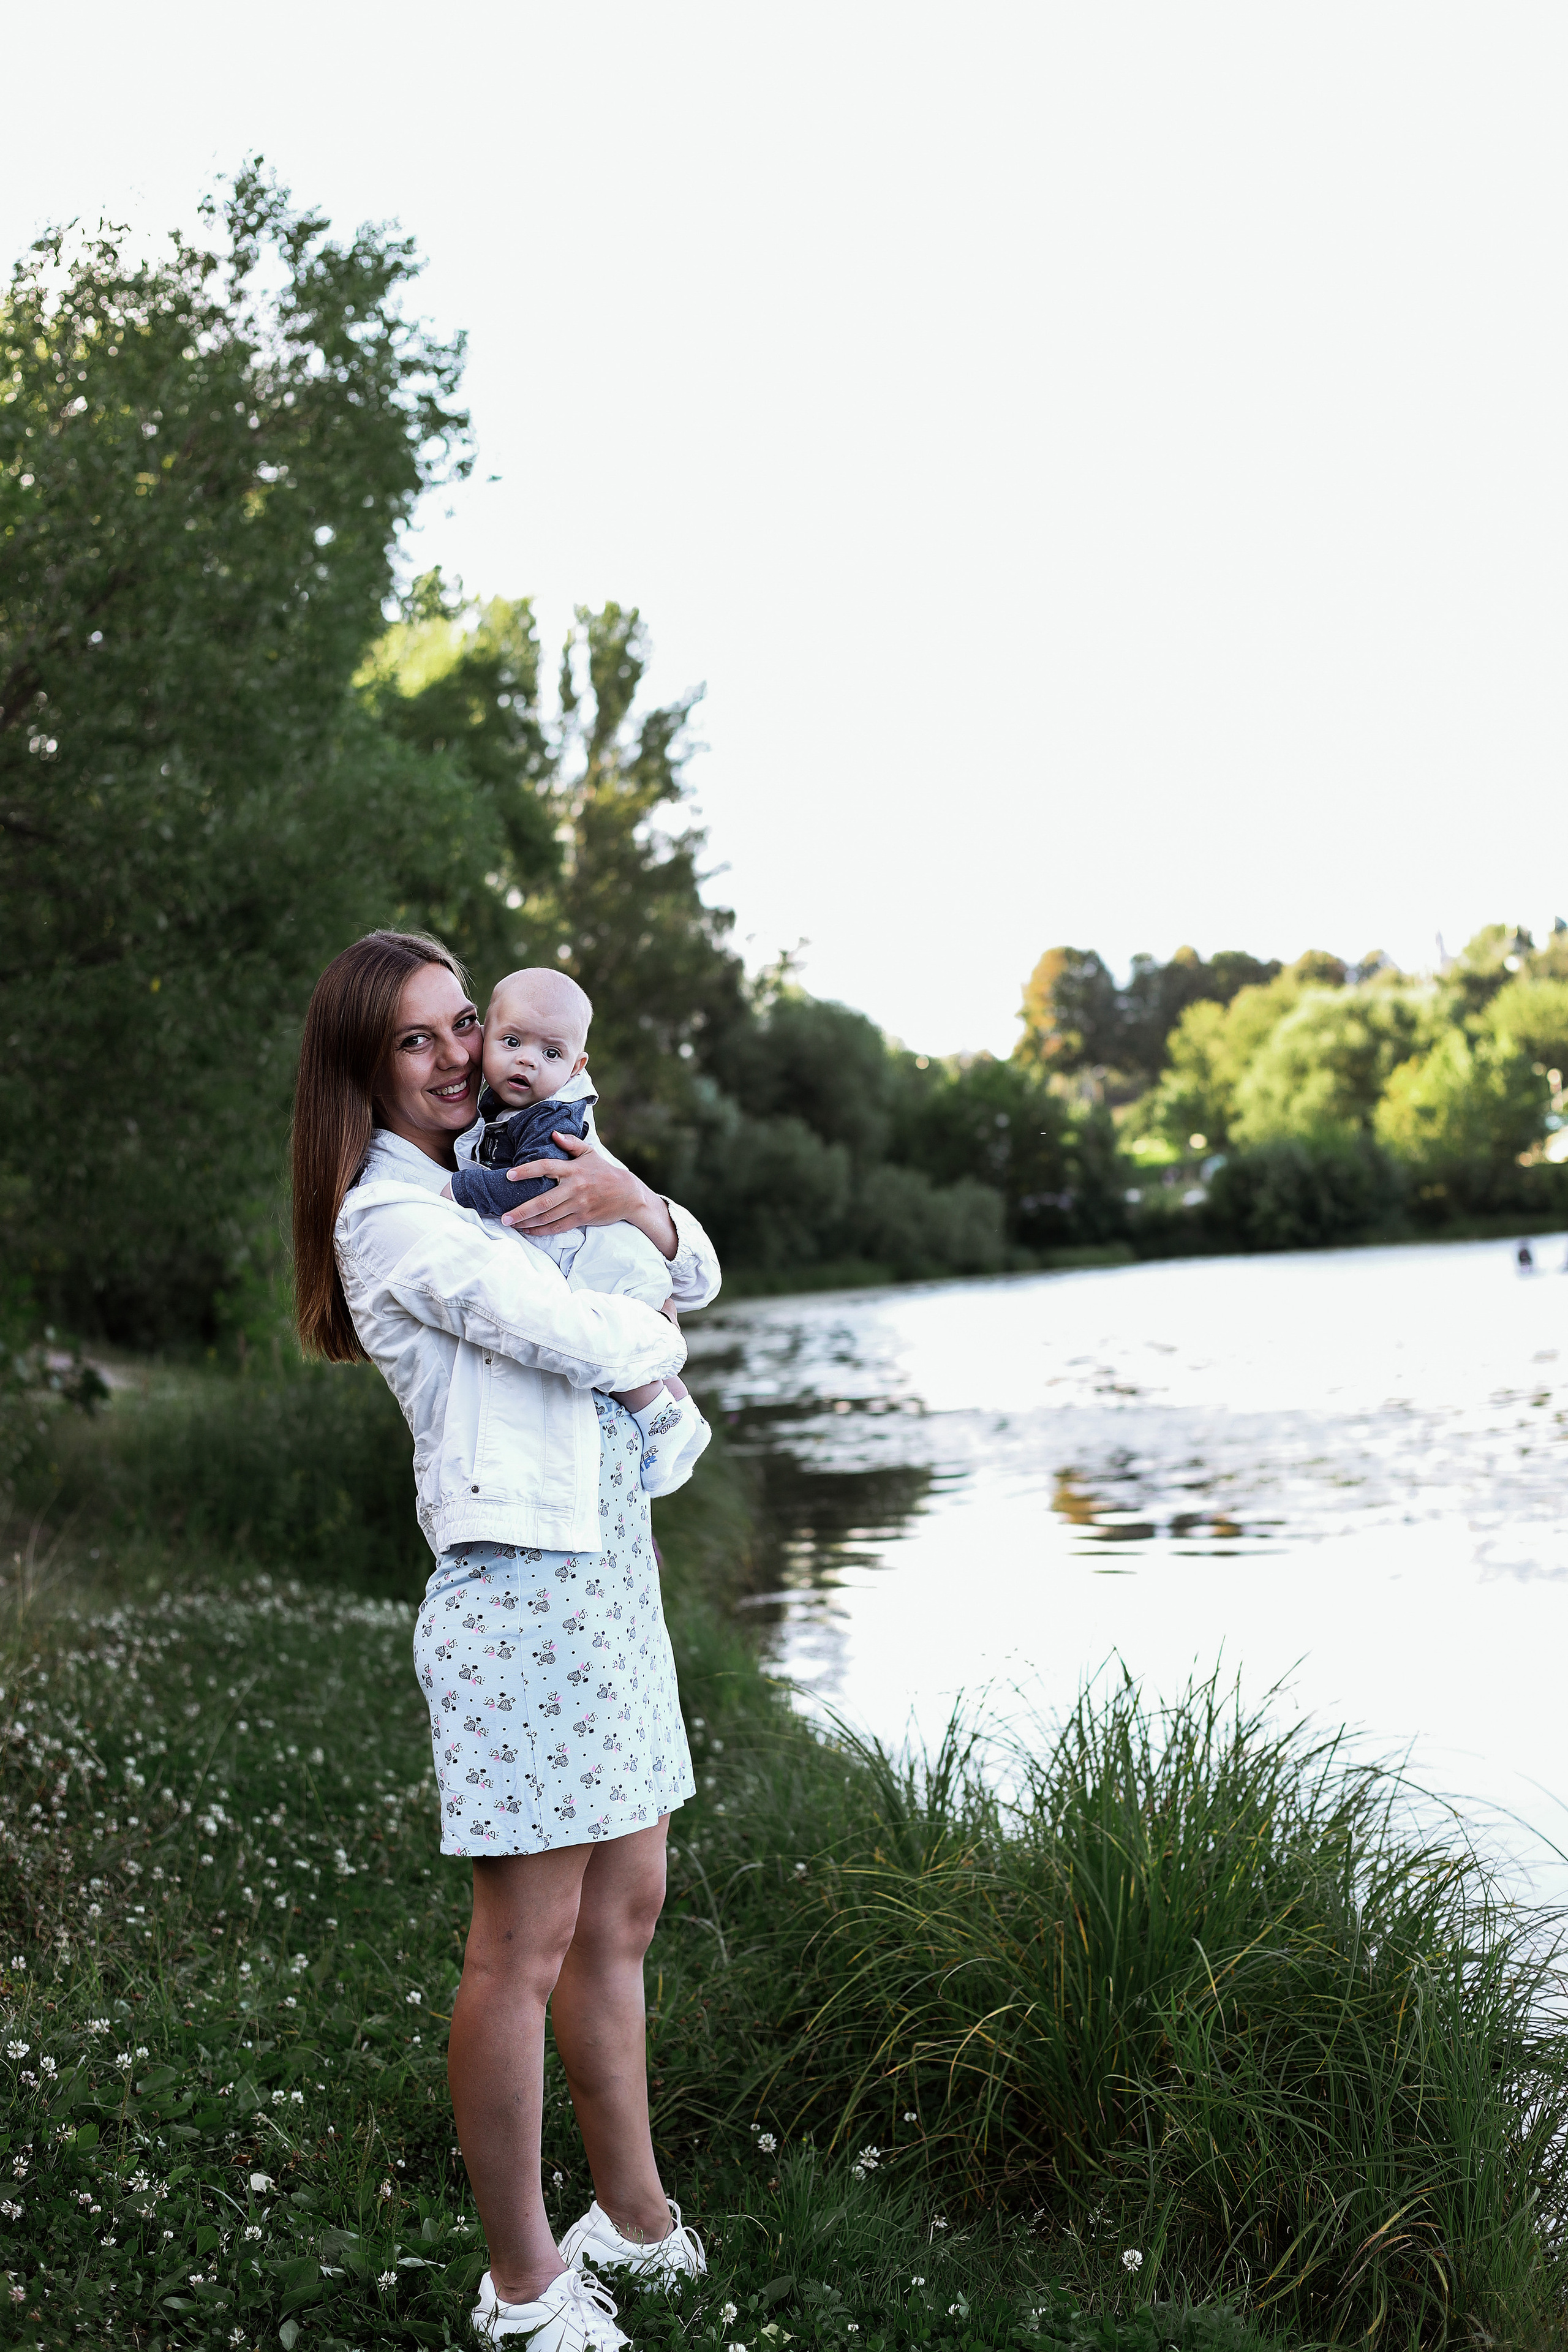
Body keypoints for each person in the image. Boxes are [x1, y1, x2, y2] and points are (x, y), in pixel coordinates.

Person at [292, 929, 717, 2352]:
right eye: (414, 1039)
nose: (456, 1054)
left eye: (460, 1022)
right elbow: (571, 1328)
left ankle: (635, 2215)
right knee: (519, 1947)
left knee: (624, 1908)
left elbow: (694, 1271)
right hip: (519, 1594)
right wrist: (642, 1302)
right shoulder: (392, 1218)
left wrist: (640, 1204)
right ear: (366, 1069)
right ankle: (523, 2283)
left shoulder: (520, 1154)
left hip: (611, 1576)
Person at [445, 966, 710, 1498]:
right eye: (513, 1042)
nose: (527, 1061)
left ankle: (664, 1421)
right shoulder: (498, 1109)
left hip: (603, 1264)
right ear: (486, 1039)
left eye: (550, 1054)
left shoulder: (551, 1119)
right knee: (623, 1341)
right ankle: (681, 1414)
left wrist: (463, 1191)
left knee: (618, 1348)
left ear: (576, 1065)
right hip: (590, 1257)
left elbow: (532, 1185)